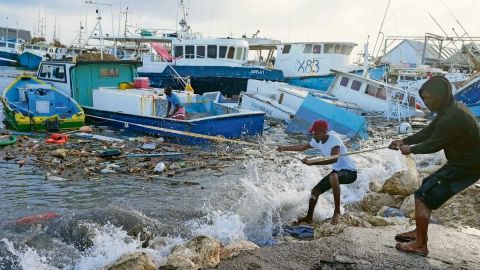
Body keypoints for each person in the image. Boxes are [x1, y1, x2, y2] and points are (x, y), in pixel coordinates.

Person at [389, 76, 480, 256]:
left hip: (469, 165)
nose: (427, 103)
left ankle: (421, 245)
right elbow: (428, 132)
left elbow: (432, 145)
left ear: (442, 95)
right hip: (463, 161)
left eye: (430, 98)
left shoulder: (452, 117)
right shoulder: (450, 109)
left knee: (423, 196)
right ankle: (418, 233)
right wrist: (404, 140)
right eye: (425, 99)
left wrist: (410, 149)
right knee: (426, 185)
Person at [277, 120, 357, 224]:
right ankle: (309, 217)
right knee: (314, 192)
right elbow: (303, 146)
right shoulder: (317, 140)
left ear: (325, 132)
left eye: (317, 133)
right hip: (337, 171)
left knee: (333, 177)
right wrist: (284, 148)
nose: (314, 135)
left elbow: (334, 159)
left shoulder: (334, 139)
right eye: (313, 133)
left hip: (350, 173)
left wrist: (312, 162)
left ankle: (337, 212)